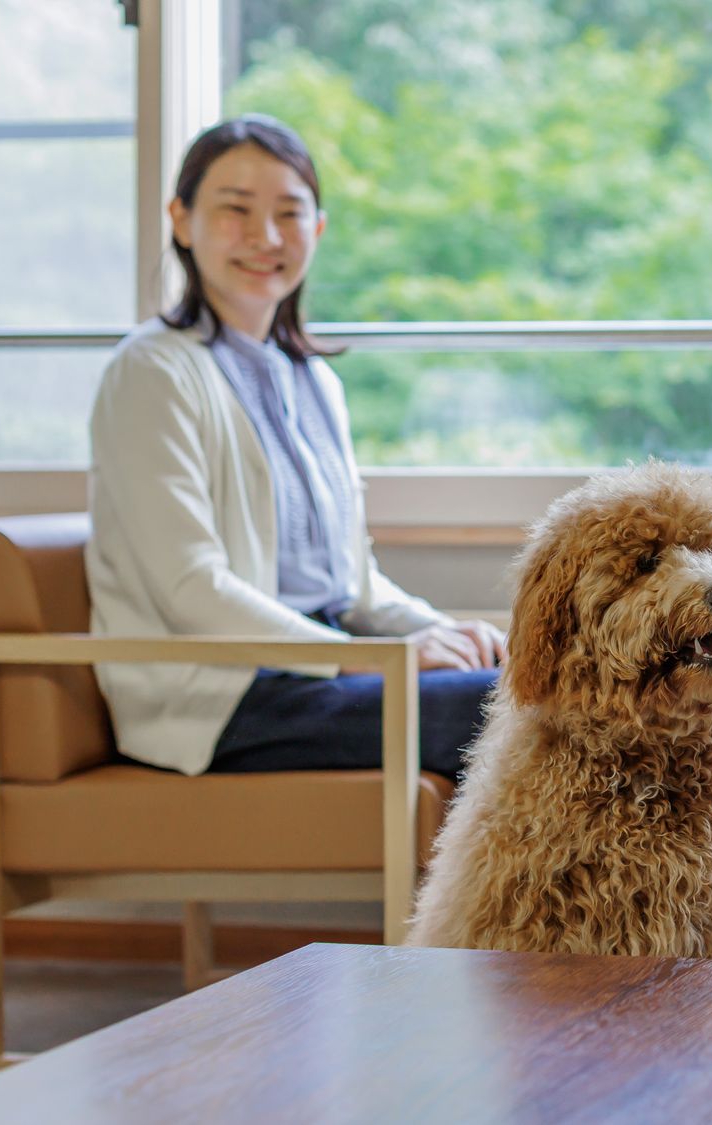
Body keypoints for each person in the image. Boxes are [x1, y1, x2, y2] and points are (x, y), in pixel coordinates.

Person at [88, 114, 506, 781]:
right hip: (225, 695)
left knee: (536, 681)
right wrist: (377, 659)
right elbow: (190, 588)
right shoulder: (151, 371)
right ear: (181, 220)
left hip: (324, 665)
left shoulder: (313, 380)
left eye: (290, 213)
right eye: (236, 210)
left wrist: (447, 633)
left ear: (318, 229)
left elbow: (353, 588)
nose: (267, 236)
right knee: (523, 712)